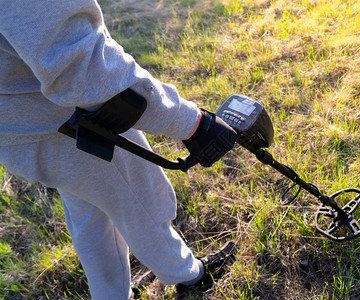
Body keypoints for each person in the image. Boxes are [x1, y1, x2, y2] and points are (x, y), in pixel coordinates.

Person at [0, 0, 237, 299]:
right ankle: (189, 276)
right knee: (143, 201)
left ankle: (111, 295)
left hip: (21, 129)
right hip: (70, 125)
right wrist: (192, 123)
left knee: (90, 213)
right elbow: (83, 69)